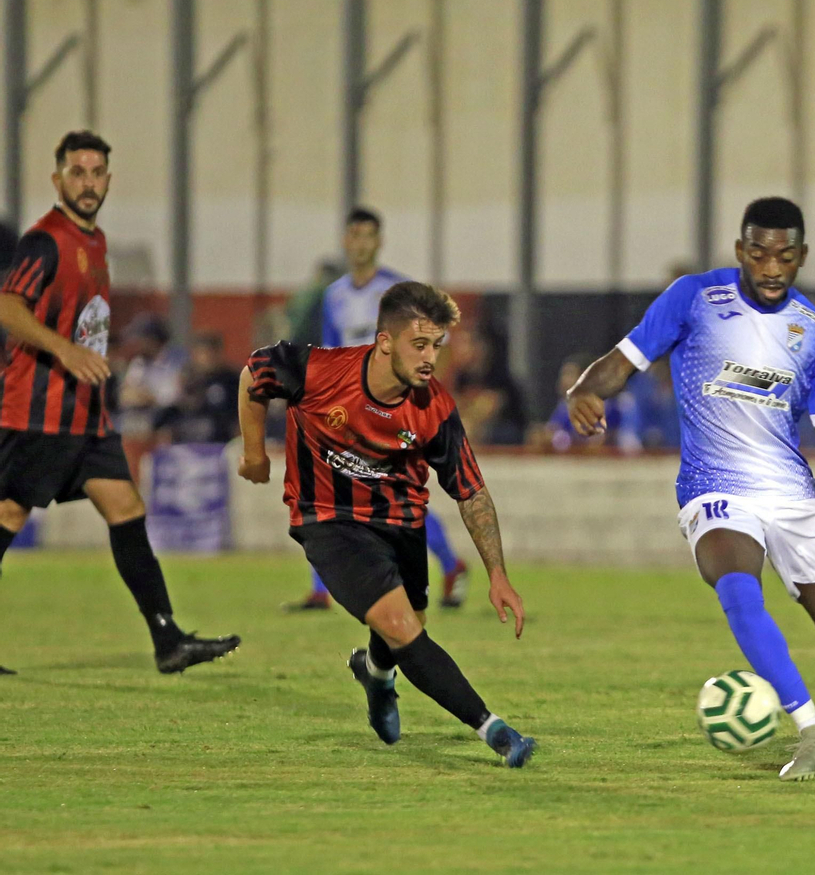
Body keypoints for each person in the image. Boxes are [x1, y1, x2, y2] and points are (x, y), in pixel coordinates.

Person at [566, 197, 815, 782]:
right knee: (737, 584)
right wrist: (585, 389)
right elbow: (623, 360)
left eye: (784, 256)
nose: (770, 267)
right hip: (714, 486)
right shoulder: (694, 297)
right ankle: (811, 732)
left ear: (801, 258)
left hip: (791, 494)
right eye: (758, 253)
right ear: (740, 251)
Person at [238, 281, 535, 766]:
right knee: (401, 626)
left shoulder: (434, 407)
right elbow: (254, 373)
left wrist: (498, 574)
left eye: (436, 346)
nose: (430, 358)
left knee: (407, 626)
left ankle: (375, 674)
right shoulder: (320, 370)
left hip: (400, 523)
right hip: (329, 520)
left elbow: (471, 491)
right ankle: (497, 732)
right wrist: (253, 451)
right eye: (419, 345)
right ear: (383, 341)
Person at [0, 130, 239, 675]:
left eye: (97, 172)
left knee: (127, 510)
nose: (88, 182)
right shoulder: (46, 240)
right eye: (77, 172)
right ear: (57, 178)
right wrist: (64, 350)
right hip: (36, 413)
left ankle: (168, 640)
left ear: (108, 178)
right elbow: (9, 308)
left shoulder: (95, 241)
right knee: (9, 514)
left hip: (85, 417)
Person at [285, 207, 470, 612]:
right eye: (355, 235)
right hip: (348, 408)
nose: (362, 244)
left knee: (390, 492)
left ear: (379, 241)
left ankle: (450, 563)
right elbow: (332, 354)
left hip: (391, 406)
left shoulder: (397, 292)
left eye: (369, 235)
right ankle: (322, 588)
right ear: (346, 240)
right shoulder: (333, 296)